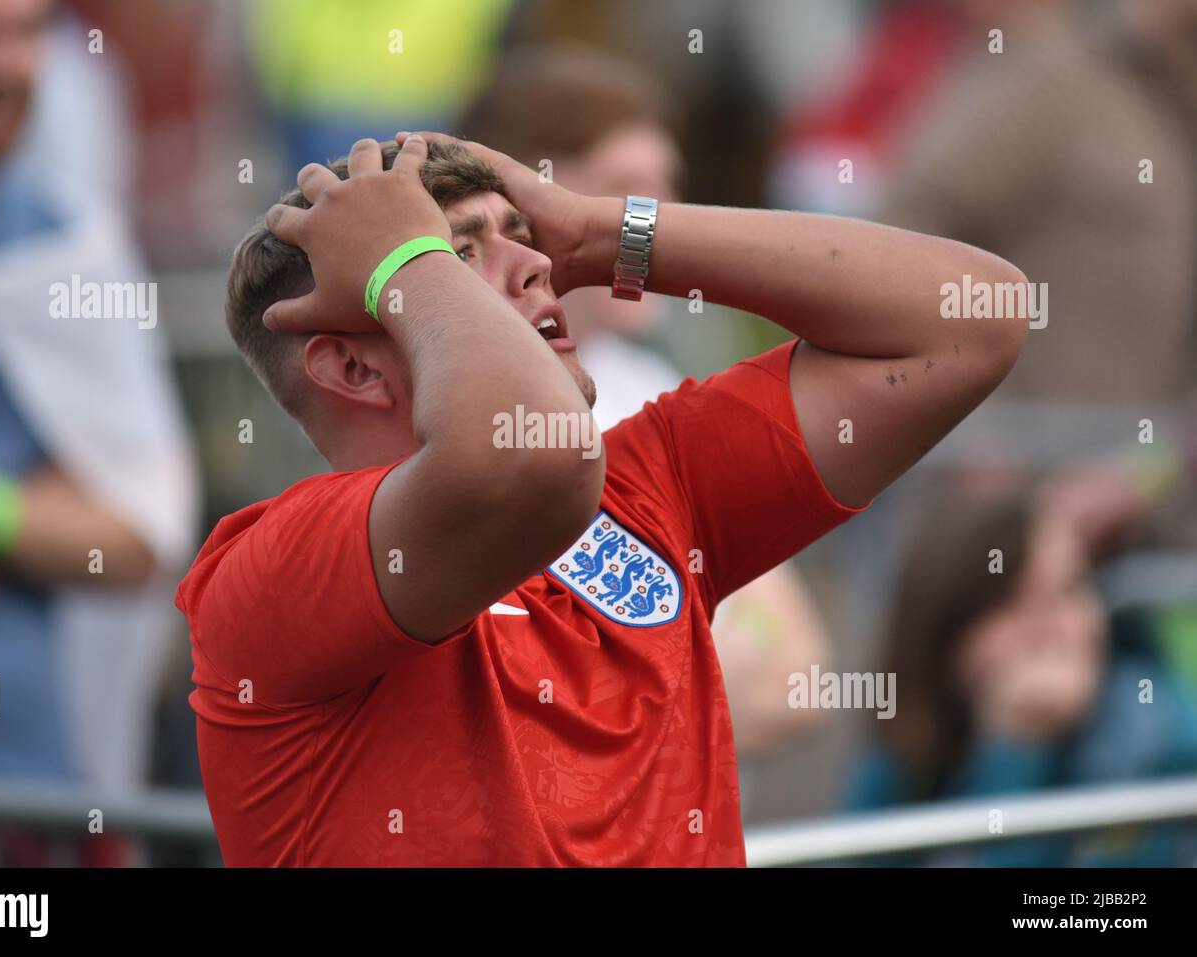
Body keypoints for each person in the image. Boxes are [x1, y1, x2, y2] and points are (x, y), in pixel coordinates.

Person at [177, 131, 1027, 866]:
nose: (540, 265)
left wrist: (605, 230)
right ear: (352, 367)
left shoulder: (649, 481)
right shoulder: (266, 571)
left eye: (526, 236)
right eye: (461, 253)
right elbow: (528, 459)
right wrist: (406, 259)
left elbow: (971, 317)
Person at [459, 45, 833, 758]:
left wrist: (631, 700)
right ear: (523, 205)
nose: (658, 224)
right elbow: (507, 717)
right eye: (627, 189)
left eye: (668, 189)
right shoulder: (450, 412)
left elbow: (801, 672)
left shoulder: (652, 388)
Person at [0, 0, 196, 824]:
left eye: (27, 33)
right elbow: (90, 527)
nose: (5, 65)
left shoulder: (67, 245)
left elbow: (138, 532)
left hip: (37, 799)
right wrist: (35, 526)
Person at [847, 492, 1197, 866]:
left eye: (1070, 588)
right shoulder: (907, 751)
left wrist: (1017, 754)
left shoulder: (1163, 751)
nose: (1053, 629)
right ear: (942, 635)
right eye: (1013, 603)